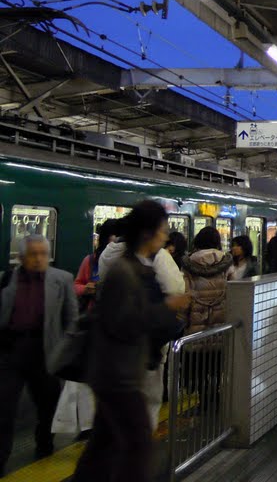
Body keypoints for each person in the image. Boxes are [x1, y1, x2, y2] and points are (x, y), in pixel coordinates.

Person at [72, 201, 189, 482]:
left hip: (115, 372)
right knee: (138, 445)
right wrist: (168, 308)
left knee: (102, 444)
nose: (165, 237)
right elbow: (124, 323)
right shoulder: (124, 272)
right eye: (162, 231)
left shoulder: (137, 267)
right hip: (118, 375)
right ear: (148, 233)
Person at [0, 235, 77, 474]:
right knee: (3, 408)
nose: (39, 258)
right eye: (33, 254)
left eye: (43, 253)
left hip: (45, 352)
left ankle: (44, 444)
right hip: (11, 351)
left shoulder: (62, 279)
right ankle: (1, 457)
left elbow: (71, 318)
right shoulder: (8, 278)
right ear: (21, 257)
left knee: (47, 404)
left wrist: (67, 351)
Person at [182, 226, 232, 336]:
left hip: (194, 326)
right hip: (220, 327)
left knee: (195, 350)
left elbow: (185, 294)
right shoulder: (227, 265)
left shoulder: (188, 265)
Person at [75, 219, 120, 313]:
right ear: (105, 237)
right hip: (95, 313)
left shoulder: (128, 260)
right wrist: (85, 289)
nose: (118, 239)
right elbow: (76, 285)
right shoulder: (90, 260)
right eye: (115, 234)